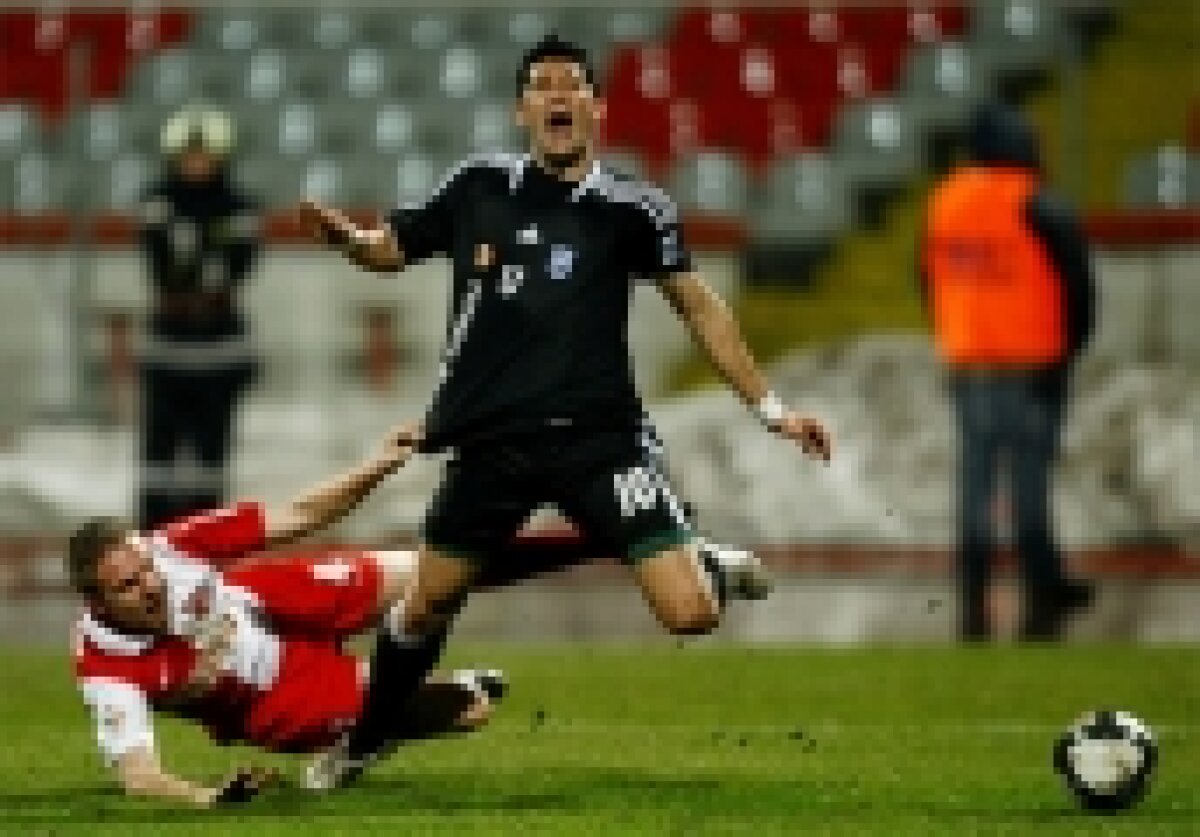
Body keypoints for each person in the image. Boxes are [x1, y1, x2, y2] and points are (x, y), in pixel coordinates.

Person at [297, 36, 833, 784]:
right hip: (491, 442)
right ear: (522, 109)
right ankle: (366, 739)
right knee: (425, 606)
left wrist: (772, 410)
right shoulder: (478, 186)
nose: (557, 95)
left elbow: (700, 307)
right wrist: (349, 242)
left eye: (572, 84)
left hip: (600, 442)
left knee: (691, 615)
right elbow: (394, 247)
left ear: (596, 107)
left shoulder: (635, 208)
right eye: (542, 85)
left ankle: (704, 564)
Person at [68, 423, 530, 807]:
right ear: (98, 603)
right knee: (470, 710)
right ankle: (356, 746)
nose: (150, 586)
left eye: (146, 571)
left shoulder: (168, 546)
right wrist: (208, 798)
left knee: (437, 569)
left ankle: (574, 542)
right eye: (128, 586)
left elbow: (298, 515)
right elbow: (139, 776)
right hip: (278, 696)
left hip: (274, 602)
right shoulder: (105, 668)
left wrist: (380, 463)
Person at [920, 103, 1096, 641]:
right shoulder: (1037, 201)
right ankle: (1042, 596)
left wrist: (955, 332)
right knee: (1028, 483)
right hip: (1032, 365)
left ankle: (974, 604)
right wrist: (1069, 350)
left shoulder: (945, 201)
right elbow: (1079, 285)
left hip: (970, 364)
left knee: (975, 484)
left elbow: (926, 277)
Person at [135, 106, 261, 529]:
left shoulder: (239, 205)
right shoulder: (157, 199)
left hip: (220, 346)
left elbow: (237, 266)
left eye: (204, 155)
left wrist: (196, 251)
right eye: (189, 155)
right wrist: (201, 252)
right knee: (158, 454)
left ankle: (205, 540)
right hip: (168, 345)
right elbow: (165, 266)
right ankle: (152, 538)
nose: (196, 163)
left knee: (212, 453)